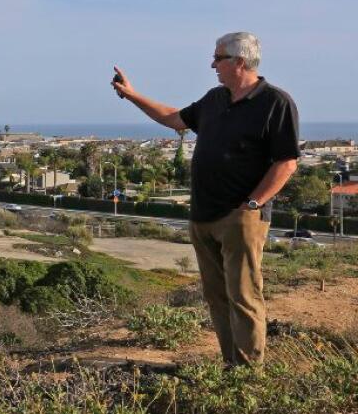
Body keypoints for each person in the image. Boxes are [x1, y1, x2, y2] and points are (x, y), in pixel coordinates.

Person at [112, 31, 299, 366]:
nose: (212, 64)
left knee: (243, 296)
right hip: (203, 216)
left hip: (241, 217)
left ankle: (247, 375)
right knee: (216, 298)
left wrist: (253, 203)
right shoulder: (214, 99)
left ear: (239, 61)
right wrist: (132, 95)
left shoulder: (275, 102)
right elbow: (173, 117)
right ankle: (231, 365)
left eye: (218, 58)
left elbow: (287, 162)